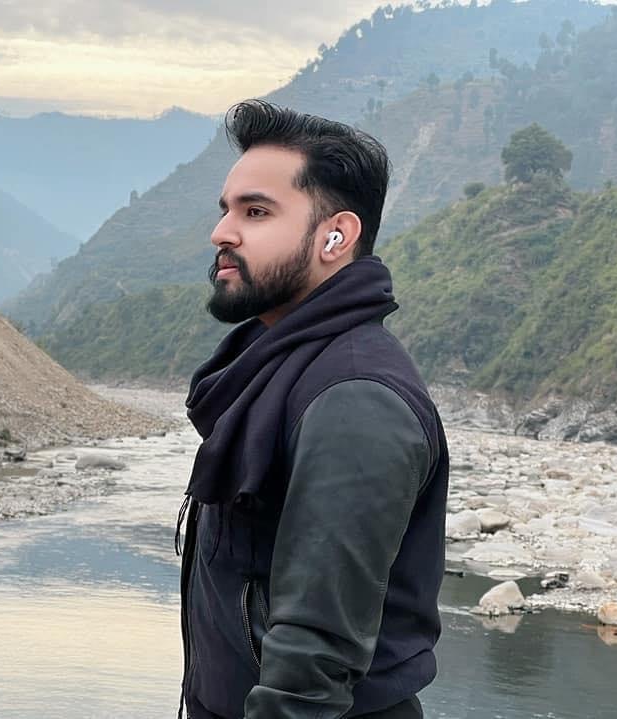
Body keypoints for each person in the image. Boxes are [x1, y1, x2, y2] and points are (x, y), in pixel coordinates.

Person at [177, 100, 450, 719]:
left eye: (255, 212)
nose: (222, 232)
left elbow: (312, 666)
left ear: (336, 236)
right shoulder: (273, 371)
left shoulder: (355, 397)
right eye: (226, 209)